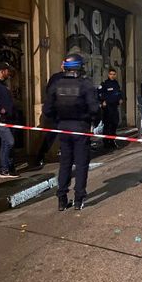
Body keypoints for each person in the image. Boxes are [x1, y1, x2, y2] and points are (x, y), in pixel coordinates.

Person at [43, 54, 99, 211]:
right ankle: (78, 199)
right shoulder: (85, 85)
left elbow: (47, 110)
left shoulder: (56, 85)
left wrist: (59, 120)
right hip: (81, 128)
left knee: (65, 163)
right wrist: (92, 120)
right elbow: (94, 109)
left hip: (63, 128)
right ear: (80, 67)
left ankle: (62, 199)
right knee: (81, 164)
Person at [35, 65, 65, 166]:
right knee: (51, 135)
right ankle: (40, 156)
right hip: (57, 111)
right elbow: (50, 93)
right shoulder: (56, 78)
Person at [98, 68, 123, 149]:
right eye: (111, 74)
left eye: (114, 74)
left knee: (114, 123)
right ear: (108, 75)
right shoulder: (105, 84)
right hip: (107, 108)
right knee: (107, 125)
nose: (112, 76)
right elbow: (100, 93)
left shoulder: (116, 84)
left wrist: (120, 98)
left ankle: (112, 140)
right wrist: (103, 101)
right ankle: (106, 142)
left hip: (114, 107)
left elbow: (119, 93)